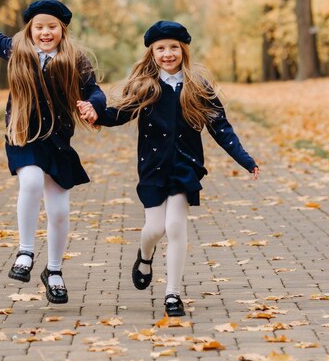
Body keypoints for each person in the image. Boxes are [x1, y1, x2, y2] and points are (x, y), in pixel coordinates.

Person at [78, 21, 259, 316]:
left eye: (173, 47)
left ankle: (173, 294)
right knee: (154, 228)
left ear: (183, 50)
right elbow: (118, 114)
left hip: (184, 166)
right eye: (161, 48)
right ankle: (145, 256)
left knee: (175, 227)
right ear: (152, 53)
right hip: (152, 167)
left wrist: (245, 159)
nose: (167, 53)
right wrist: (95, 113)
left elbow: (221, 127)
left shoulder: (198, 87)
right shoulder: (144, 87)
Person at [0, 0, 106, 304]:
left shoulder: (74, 60)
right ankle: (25, 251)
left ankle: (54, 272)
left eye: (52, 27)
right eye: (39, 27)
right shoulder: (18, 51)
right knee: (31, 183)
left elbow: (94, 90)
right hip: (24, 135)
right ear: (30, 29)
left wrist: (94, 106)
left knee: (60, 212)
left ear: (62, 30)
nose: (45, 32)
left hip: (58, 142)